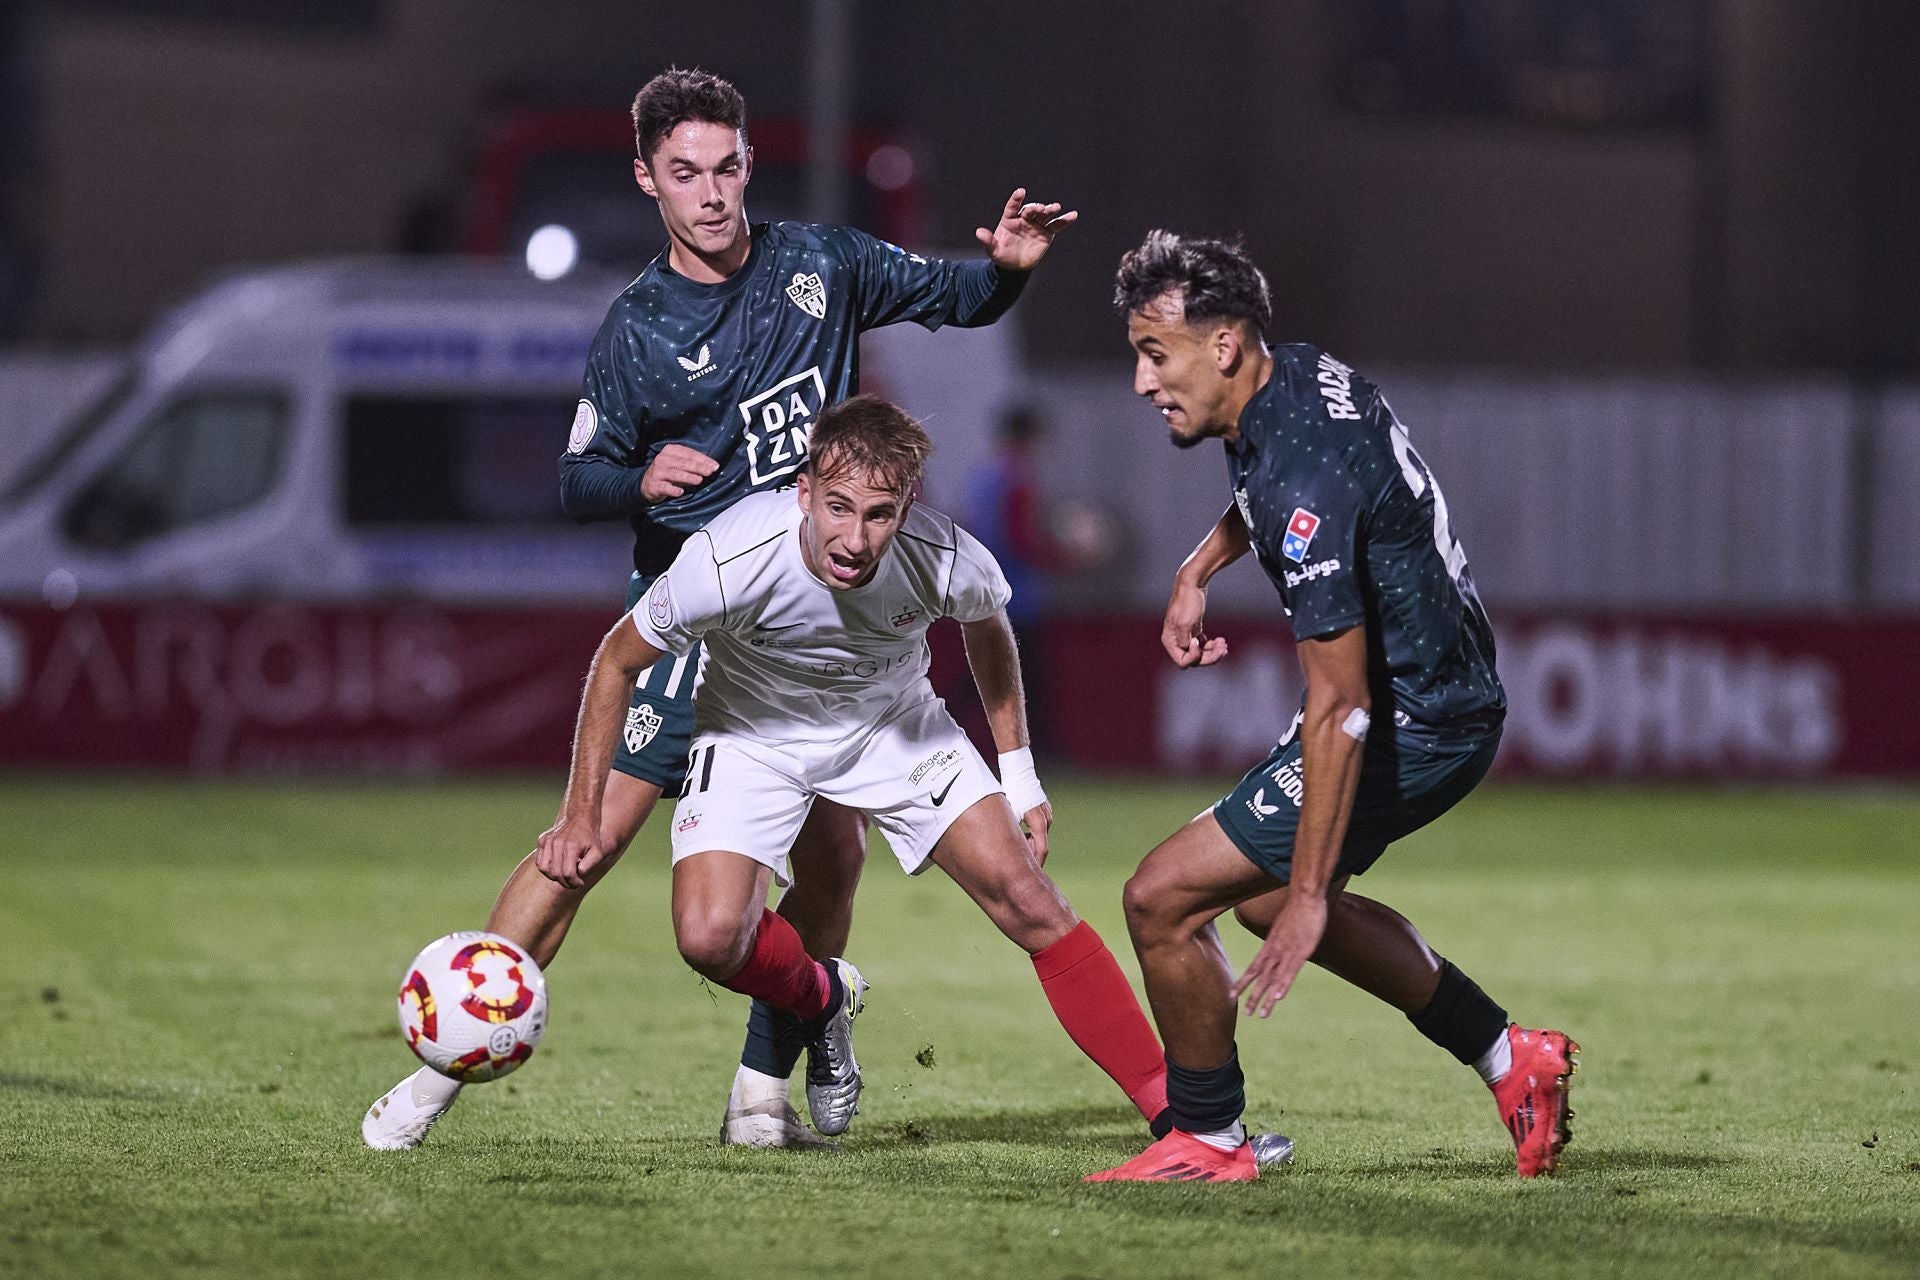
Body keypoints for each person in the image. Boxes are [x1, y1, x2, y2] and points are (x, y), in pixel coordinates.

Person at [363, 66, 1076, 1151]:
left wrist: (1009, 272)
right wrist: (638, 477)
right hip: (694, 621)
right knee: (585, 842)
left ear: (750, 165)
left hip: (814, 624)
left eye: (728, 168)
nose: (712, 193)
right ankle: (432, 1081)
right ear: (647, 178)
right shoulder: (638, 327)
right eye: (685, 172)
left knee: (832, 862)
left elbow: (955, 296)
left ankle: (761, 1089)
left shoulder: (819, 264)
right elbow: (574, 480)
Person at [531, 395, 1175, 1141]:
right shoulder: (726, 557)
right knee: (708, 938)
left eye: (879, 514)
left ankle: (1182, 1118)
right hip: (752, 734)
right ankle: (822, 996)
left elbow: (988, 627)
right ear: (802, 491)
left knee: (1028, 897)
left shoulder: (945, 554)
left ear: (907, 508)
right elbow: (615, 659)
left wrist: (1020, 773)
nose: (856, 536)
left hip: (891, 730)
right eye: (838, 507)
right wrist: (579, 813)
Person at [1085, 231, 1577, 1183]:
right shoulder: (1301, 374)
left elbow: (1341, 708)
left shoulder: (1299, 476)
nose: (1144, 382)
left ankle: (1209, 1140)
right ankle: (1511, 1057)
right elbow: (1270, 494)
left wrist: (1315, 901)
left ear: (1222, 345)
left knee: (1161, 900)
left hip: (1414, 718)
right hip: (1445, 693)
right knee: (1262, 896)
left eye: (1156, 355)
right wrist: (1198, 569)